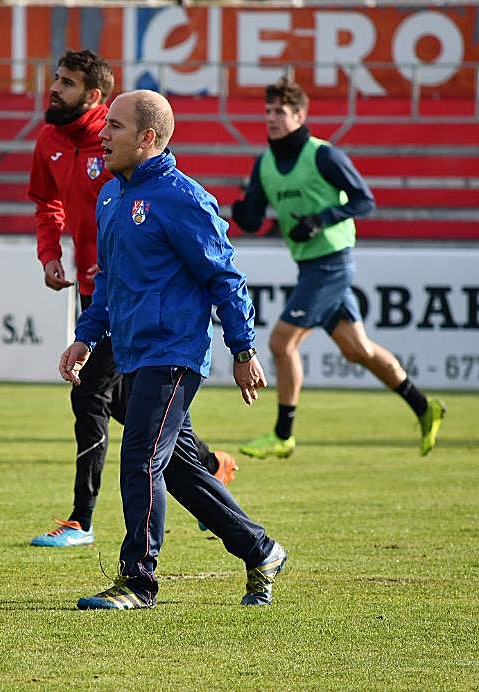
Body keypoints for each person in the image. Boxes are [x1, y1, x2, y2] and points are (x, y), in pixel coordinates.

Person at [59, 89, 287, 610]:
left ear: (147, 137)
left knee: (140, 458)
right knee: (180, 470)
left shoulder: (183, 198)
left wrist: (243, 349)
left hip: (173, 354)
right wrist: (85, 336)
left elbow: (225, 277)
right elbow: (109, 282)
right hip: (133, 353)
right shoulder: (111, 197)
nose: (102, 134)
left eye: (114, 126)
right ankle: (261, 550)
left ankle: (138, 581)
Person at [27, 50, 237, 548]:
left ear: (93, 95)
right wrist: (50, 253)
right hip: (98, 296)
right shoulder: (50, 141)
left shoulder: (122, 144)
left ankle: (81, 519)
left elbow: (165, 221)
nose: (55, 88)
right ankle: (213, 469)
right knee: (132, 406)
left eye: (67, 82)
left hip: (136, 303)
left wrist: (242, 345)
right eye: (56, 78)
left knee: (90, 396)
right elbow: (47, 202)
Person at [232, 77, 445, 460]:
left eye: (280, 111)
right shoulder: (264, 164)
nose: (271, 118)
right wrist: (241, 208)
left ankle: (283, 435)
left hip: (331, 264)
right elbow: (253, 220)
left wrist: (320, 219)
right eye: (268, 111)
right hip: (309, 266)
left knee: (281, 343)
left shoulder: (323, 155)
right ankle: (423, 406)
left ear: (300, 116)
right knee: (357, 350)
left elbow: (364, 200)